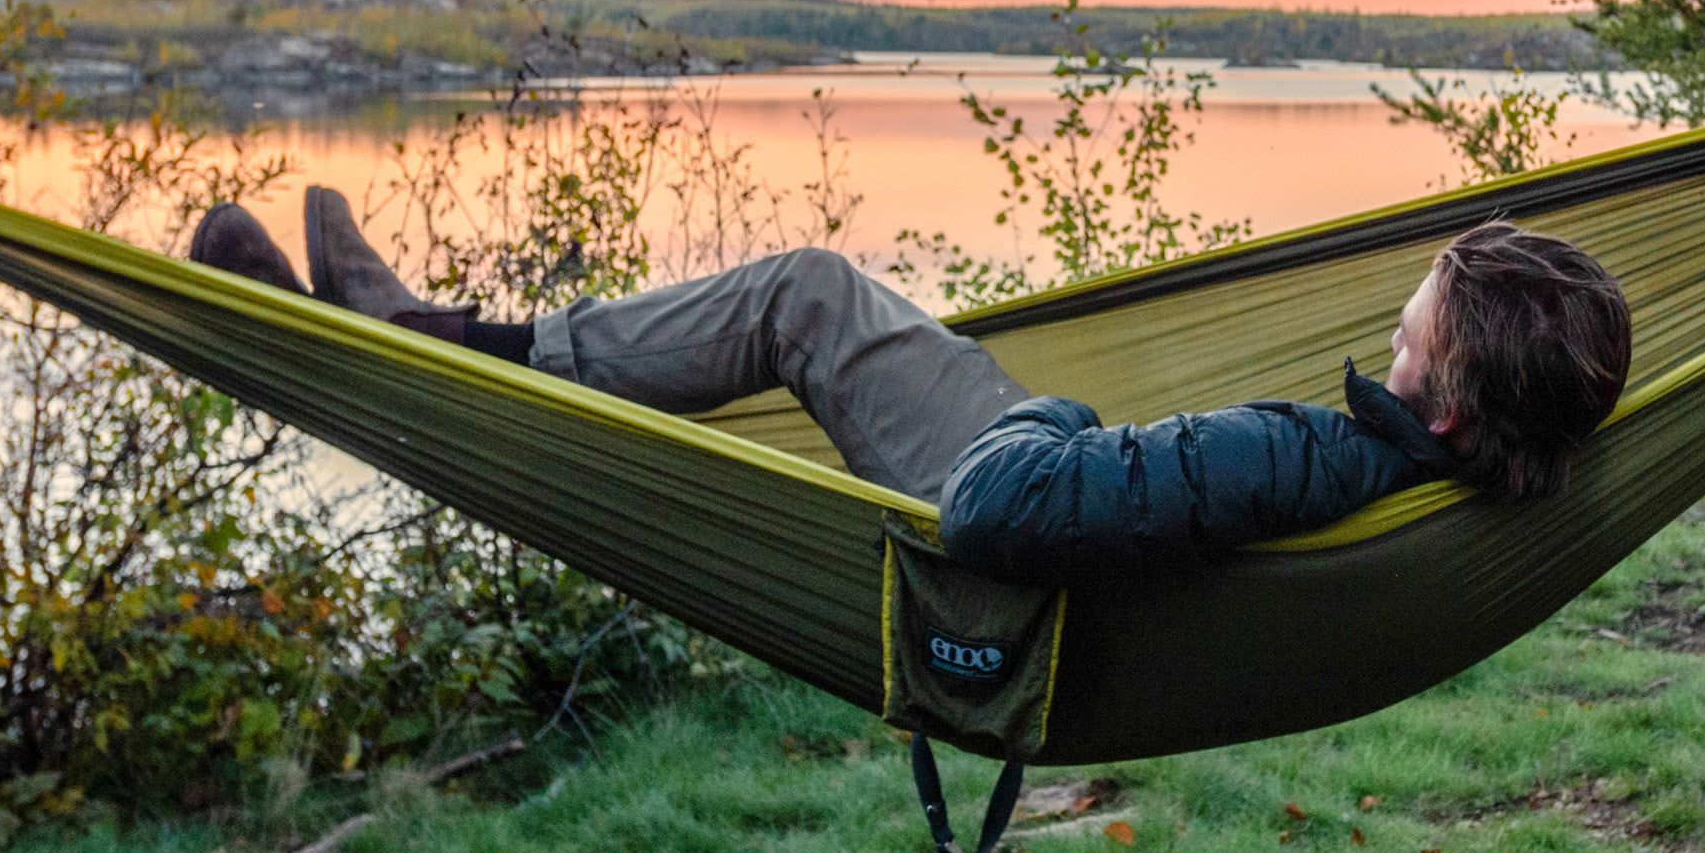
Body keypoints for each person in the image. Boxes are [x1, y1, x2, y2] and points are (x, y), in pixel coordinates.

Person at [187, 190, 1631, 585]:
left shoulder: (1300, 456)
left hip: (998, 495)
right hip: (1065, 499)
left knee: (800, 294)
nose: (1387, 334)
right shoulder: (1434, 463)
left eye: (1406, 335)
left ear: (1445, 404)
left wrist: (1057, 410)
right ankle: (413, 325)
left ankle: (433, 335)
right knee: (815, 293)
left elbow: (1000, 508)